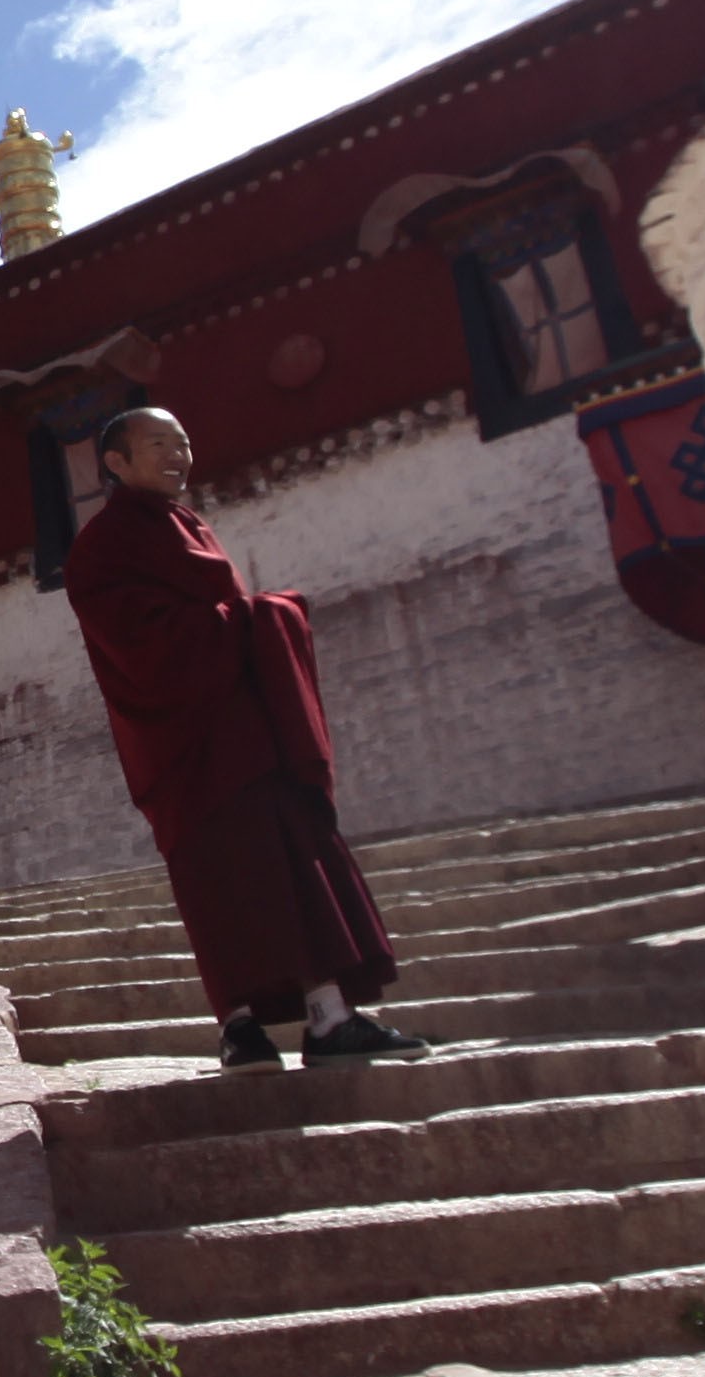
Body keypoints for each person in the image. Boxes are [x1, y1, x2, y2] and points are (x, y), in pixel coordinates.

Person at [60, 406, 430, 1067]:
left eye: (184, 441)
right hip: (186, 745)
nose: (177, 454)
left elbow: (208, 621)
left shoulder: (186, 524)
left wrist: (253, 621)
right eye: (157, 444)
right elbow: (142, 647)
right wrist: (260, 619)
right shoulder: (103, 546)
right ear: (116, 463)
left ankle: (328, 1018)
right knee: (220, 881)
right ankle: (239, 1026)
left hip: (248, 732)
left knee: (296, 863)